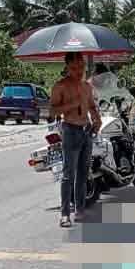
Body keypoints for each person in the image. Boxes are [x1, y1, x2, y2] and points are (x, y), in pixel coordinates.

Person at [50, 52, 102, 227]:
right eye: (74, 68)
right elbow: (52, 111)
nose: (79, 71)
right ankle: (65, 214)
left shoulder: (87, 87)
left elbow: (92, 106)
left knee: (83, 173)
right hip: (70, 130)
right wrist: (72, 104)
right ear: (67, 67)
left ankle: (80, 210)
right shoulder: (60, 86)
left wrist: (97, 119)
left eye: (81, 67)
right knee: (68, 174)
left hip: (86, 131)